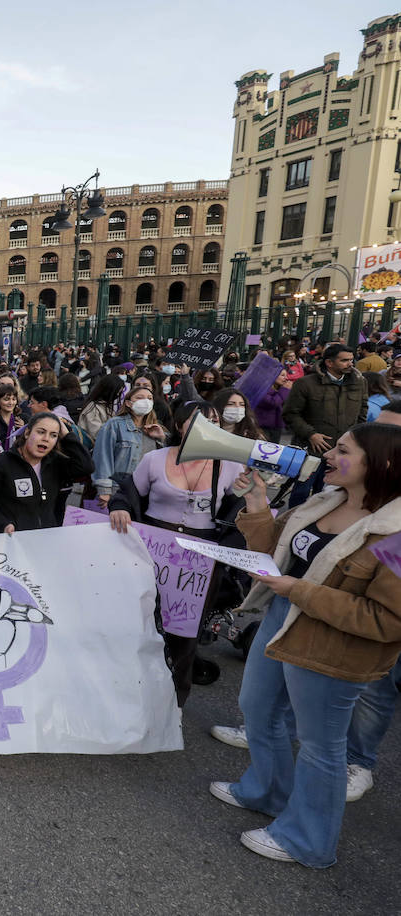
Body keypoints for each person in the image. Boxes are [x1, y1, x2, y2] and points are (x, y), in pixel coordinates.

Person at [211, 423, 401, 867]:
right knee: (257, 707)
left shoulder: (395, 533)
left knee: (320, 745)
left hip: (333, 647)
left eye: (343, 450)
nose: (328, 454)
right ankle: (266, 792)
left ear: (383, 465)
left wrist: (298, 591)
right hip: (284, 620)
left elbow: (388, 619)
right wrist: (257, 504)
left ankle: (308, 840)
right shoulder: (324, 500)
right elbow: (276, 554)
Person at [109, 401, 245, 705]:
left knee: (184, 629)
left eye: (213, 422)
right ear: (181, 424)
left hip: (201, 554)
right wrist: (119, 508)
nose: (207, 428)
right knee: (138, 619)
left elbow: (241, 512)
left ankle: (173, 699)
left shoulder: (230, 466)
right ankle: (124, 690)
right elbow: (128, 494)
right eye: (198, 421)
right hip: (153, 546)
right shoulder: (155, 459)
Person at [0, 412, 93, 534]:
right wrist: (2, 524)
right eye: (41, 432)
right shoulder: (1, 463)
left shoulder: (56, 463)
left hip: (45, 539)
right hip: (10, 540)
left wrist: (67, 435)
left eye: (53, 435)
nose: (46, 438)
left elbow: (86, 466)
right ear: (27, 433)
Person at [283, 344, 367, 506]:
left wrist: (355, 437)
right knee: (301, 491)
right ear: (329, 362)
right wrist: (310, 434)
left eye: (351, 360)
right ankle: (292, 524)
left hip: (342, 451)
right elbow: (290, 414)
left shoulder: (359, 383)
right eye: (344, 360)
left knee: (331, 494)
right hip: (311, 450)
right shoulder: (306, 383)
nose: (350, 364)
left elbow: (362, 411)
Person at [91, 386, 166, 507]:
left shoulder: (155, 428)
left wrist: (161, 438)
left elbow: (164, 462)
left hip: (143, 494)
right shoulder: (114, 424)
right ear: (128, 403)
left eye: (149, 398)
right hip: (116, 490)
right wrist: (104, 489)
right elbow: (103, 456)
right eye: (139, 398)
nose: (146, 401)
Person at [254, 368, 293, 443]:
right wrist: (285, 389)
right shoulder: (262, 388)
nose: (286, 378)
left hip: (276, 426)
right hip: (264, 426)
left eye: (286, 375)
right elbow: (272, 403)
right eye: (282, 375)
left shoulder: (278, 389)